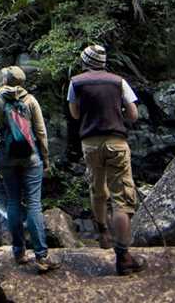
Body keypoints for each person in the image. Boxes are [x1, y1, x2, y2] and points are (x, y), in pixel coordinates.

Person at [67, 44, 146, 276]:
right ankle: (123, 257)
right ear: (103, 62)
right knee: (121, 199)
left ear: (85, 62)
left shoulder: (76, 83)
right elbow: (133, 114)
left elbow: (75, 113)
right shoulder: (118, 81)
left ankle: (102, 232)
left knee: (97, 188)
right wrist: (116, 112)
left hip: (90, 143)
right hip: (116, 141)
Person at [0, 67, 59, 273]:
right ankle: (42, 257)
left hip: (7, 157)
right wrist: (45, 158)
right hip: (31, 157)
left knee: (13, 201)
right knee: (34, 204)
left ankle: (19, 252)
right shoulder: (30, 100)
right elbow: (41, 132)